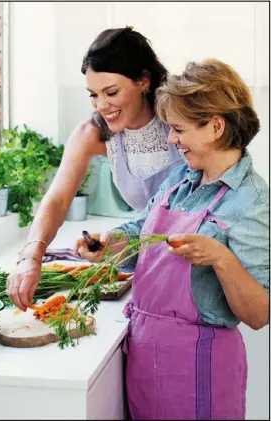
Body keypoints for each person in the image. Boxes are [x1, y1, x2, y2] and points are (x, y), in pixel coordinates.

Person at [75, 59, 270, 420]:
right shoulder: (182, 178)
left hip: (200, 368)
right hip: (145, 355)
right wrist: (110, 244)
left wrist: (221, 259)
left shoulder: (252, 201)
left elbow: (259, 314)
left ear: (214, 126)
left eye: (178, 129)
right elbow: (143, 234)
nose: (171, 139)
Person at [7, 27, 183, 310]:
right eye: (93, 94)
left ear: (144, 81)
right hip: (148, 263)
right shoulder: (93, 133)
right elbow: (57, 199)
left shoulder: (180, 122)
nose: (102, 105)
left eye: (111, 92)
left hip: (197, 261)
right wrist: (30, 258)